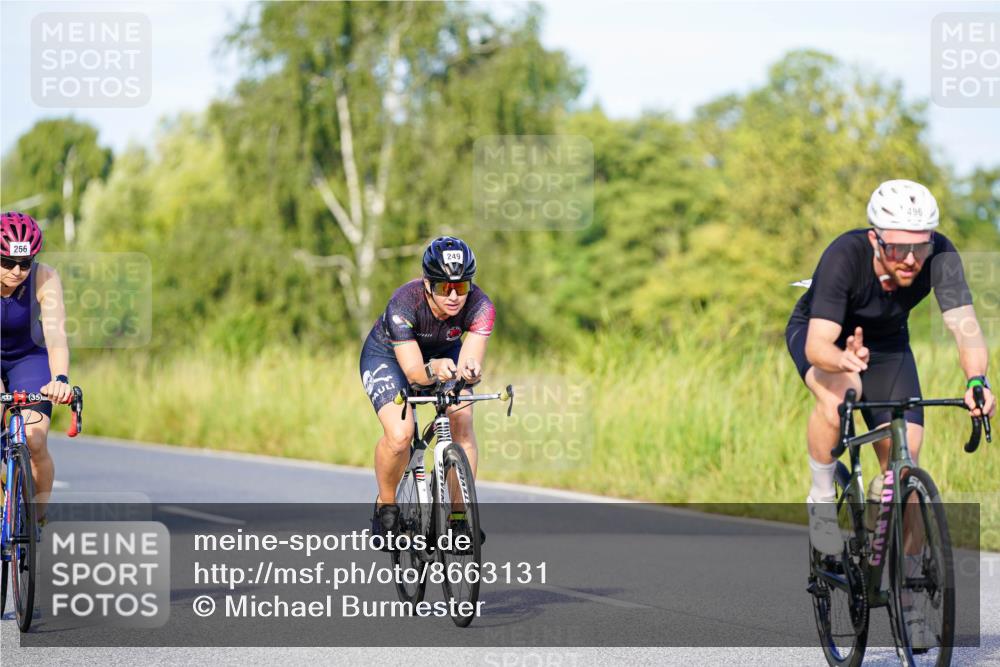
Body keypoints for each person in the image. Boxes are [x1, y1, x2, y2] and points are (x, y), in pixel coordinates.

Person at [786, 179, 996, 555]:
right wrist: (841, 358)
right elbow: (817, 345)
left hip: (886, 345)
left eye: (920, 246)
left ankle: (911, 599)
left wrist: (977, 380)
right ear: (875, 239)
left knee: (903, 466)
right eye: (898, 247)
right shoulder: (844, 256)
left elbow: (966, 328)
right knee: (839, 395)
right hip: (826, 337)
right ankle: (820, 498)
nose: (911, 260)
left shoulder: (940, 256)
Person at [359, 236, 495, 542]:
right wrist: (433, 369)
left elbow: (469, 364)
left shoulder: (481, 307)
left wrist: (470, 373)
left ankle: (459, 517)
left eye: (460, 287)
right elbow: (414, 374)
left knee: (461, 418)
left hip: (444, 354)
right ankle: (386, 506)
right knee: (400, 435)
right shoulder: (404, 304)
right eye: (443, 287)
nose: (453, 296)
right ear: (426, 284)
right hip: (391, 357)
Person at [1, 211, 74, 534]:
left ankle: (36, 518)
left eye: (25, 263)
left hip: (28, 358)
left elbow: (57, 335)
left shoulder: (44, 277)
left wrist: (60, 380)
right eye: (7, 262)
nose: (18, 271)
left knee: (34, 439)